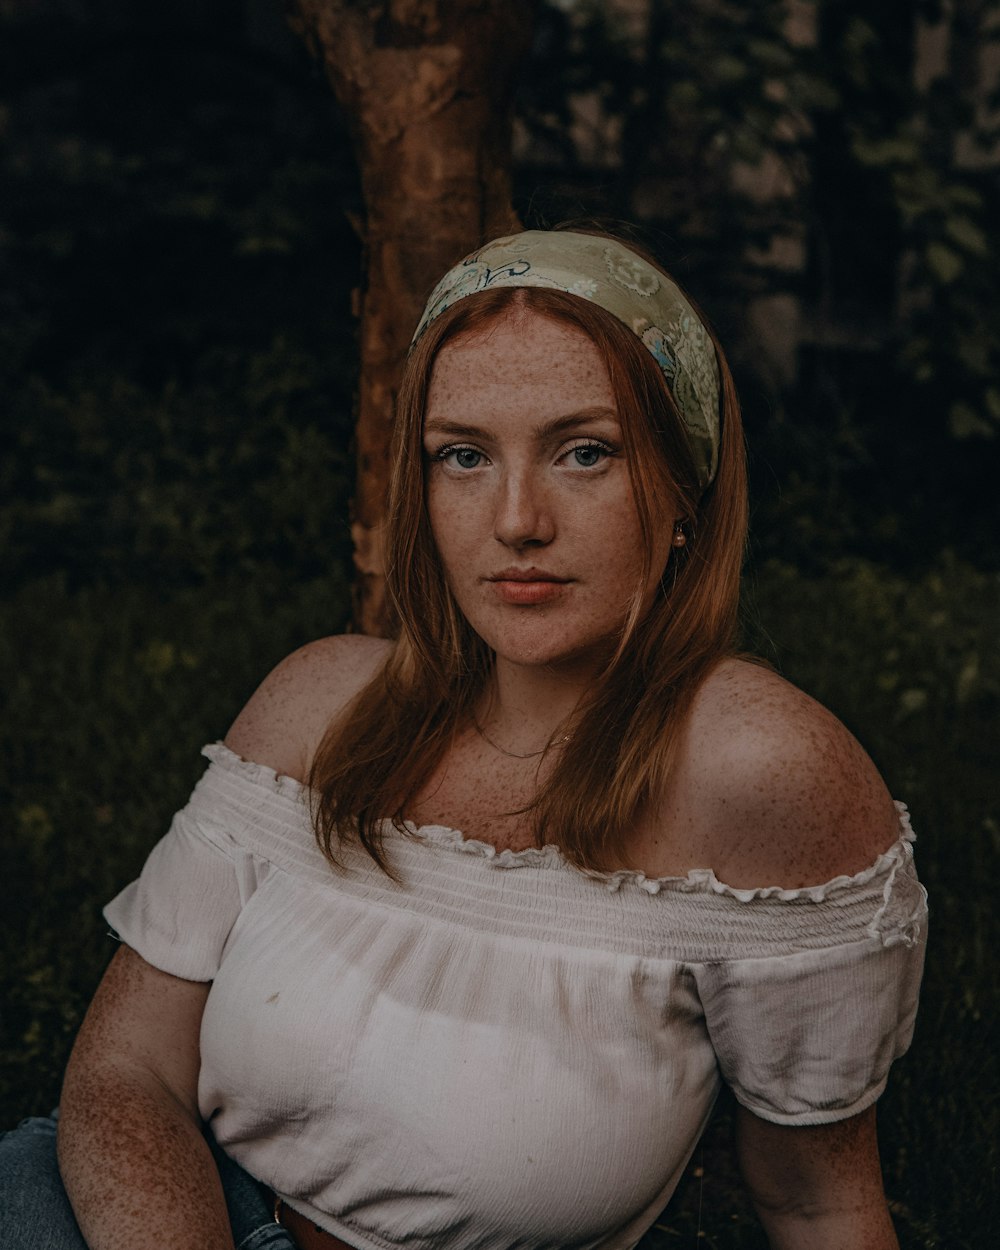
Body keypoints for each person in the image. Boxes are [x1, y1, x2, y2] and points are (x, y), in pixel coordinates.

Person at [0, 228, 927, 1250]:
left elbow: (816, 1198)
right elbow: (123, 1072)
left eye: (585, 451)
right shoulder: (318, 702)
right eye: (464, 455)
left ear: (680, 494)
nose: (516, 519)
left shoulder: (763, 771)